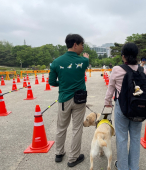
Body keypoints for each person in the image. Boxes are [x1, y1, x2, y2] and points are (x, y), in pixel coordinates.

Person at [104, 43, 146, 170]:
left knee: (122, 138)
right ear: (136, 56)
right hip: (139, 107)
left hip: (121, 108)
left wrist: (107, 102)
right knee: (135, 137)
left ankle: (123, 167)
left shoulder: (117, 69)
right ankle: (134, 166)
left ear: (124, 56)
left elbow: (110, 88)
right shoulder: (142, 70)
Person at [49, 34, 89, 167]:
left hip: (64, 99)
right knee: (77, 128)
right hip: (79, 99)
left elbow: (51, 82)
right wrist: (86, 59)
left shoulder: (56, 62)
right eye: (82, 45)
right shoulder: (83, 61)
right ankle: (73, 158)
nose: (83, 48)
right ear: (75, 44)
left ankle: (59, 153)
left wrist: (64, 84)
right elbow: (84, 63)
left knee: (61, 127)